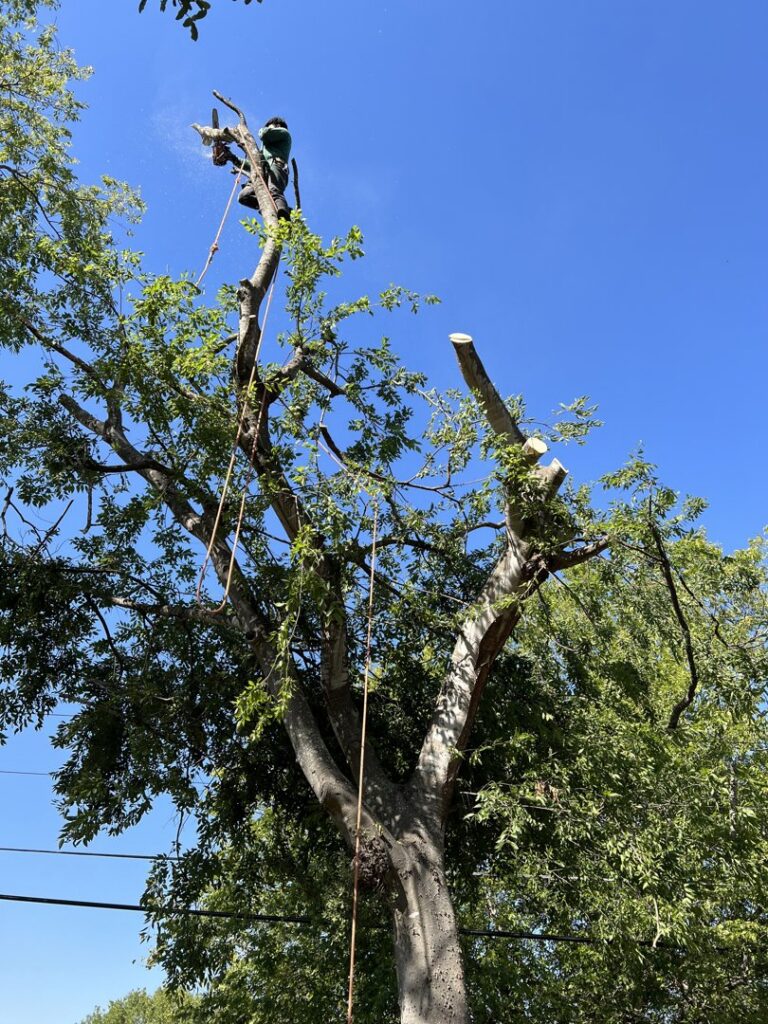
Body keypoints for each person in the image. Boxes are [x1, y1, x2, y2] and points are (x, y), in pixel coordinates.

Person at [213, 116, 292, 219]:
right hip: (263, 170)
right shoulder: (265, 150)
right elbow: (254, 166)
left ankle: (284, 216)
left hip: (276, 166)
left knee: (274, 191)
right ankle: (277, 208)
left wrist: (266, 128)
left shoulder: (284, 133)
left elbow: (264, 134)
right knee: (244, 196)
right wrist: (232, 157)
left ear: (276, 126)